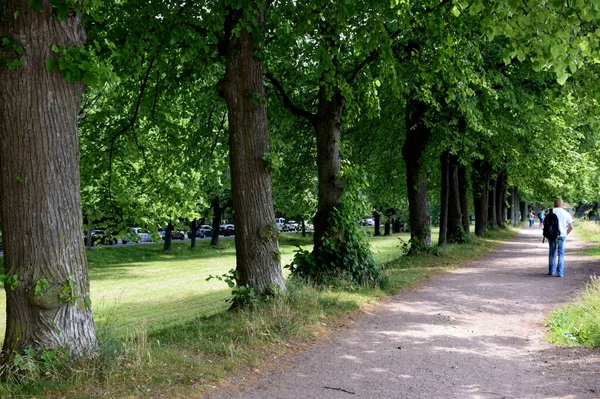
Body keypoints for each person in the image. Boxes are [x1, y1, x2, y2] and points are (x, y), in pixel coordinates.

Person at [548, 198, 573, 277]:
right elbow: (571, 227)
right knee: (561, 254)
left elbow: (546, 224)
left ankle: (552, 271)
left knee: (552, 253)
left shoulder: (551, 212)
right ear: (562, 204)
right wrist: (566, 233)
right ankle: (560, 273)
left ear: (555, 204)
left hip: (552, 236)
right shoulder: (566, 213)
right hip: (562, 235)